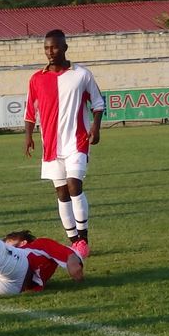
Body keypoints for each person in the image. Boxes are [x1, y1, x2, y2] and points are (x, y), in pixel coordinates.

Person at [25, 29, 105, 258]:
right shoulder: (37, 78)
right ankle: (73, 241)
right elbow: (30, 111)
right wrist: (28, 136)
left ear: (65, 47)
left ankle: (83, 239)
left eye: (55, 47)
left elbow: (98, 103)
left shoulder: (81, 74)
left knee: (74, 186)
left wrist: (95, 127)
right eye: (47, 48)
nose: (50, 52)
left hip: (77, 141)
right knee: (61, 193)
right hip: (50, 145)